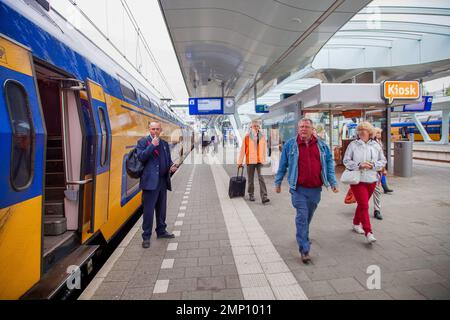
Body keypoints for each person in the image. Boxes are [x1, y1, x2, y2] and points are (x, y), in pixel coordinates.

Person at [275, 118, 339, 263]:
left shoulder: (322, 146)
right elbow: (282, 165)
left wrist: (333, 182)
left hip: (316, 189)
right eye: (301, 127)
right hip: (298, 189)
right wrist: (278, 182)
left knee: (307, 216)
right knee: (302, 216)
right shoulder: (290, 145)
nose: (303, 129)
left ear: (312, 129)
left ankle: (303, 233)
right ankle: (304, 249)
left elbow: (329, 164)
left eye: (306, 127)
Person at [343, 121, 386, 244]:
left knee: (362, 205)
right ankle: (368, 232)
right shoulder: (353, 145)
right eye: (360, 130)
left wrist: (372, 165)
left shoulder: (376, 145)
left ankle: (356, 224)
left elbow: (383, 161)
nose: (362, 132)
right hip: (358, 180)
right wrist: (358, 165)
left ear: (370, 132)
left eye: (364, 130)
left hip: (372, 180)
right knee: (365, 206)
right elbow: (346, 160)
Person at [137, 122, 178, 248]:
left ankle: (161, 231)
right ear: (149, 129)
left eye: (157, 129)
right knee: (148, 211)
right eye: (153, 129)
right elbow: (141, 157)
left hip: (162, 181)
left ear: (161, 130)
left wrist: (171, 166)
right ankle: (146, 237)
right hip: (150, 183)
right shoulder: (143, 142)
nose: (155, 131)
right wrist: (152, 146)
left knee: (161, 209)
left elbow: (168, 159)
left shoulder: (164, 144)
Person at [238, 120, 270, 204]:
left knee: (261, 178)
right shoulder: (247, 137)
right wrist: (240, 162)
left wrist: (264, 160)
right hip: (250, 161)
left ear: (259, 127)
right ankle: (251, 194)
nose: (255, 127)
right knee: (251, 179)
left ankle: (264, 197)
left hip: (260, 161)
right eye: (254, 126)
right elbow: (242, 150)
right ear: (251, 127)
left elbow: (264, 149)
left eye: (257, 126)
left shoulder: (262, 136)